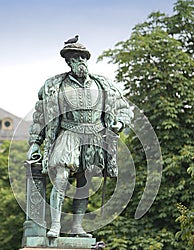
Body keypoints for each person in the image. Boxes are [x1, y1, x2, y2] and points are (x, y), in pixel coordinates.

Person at [28, 40, 133, 238]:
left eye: (83, 57)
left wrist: (119, 124)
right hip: (69, 134)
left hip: (94, 137)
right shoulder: (54, 86)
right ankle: (56, 225)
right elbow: (41, 116)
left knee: (84, 184)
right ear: (69, 62)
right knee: (61, 177)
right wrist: (35, 143)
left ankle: (77, 226)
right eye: (75, 58)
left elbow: (123, 109)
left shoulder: (104, 86)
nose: (81, 61)